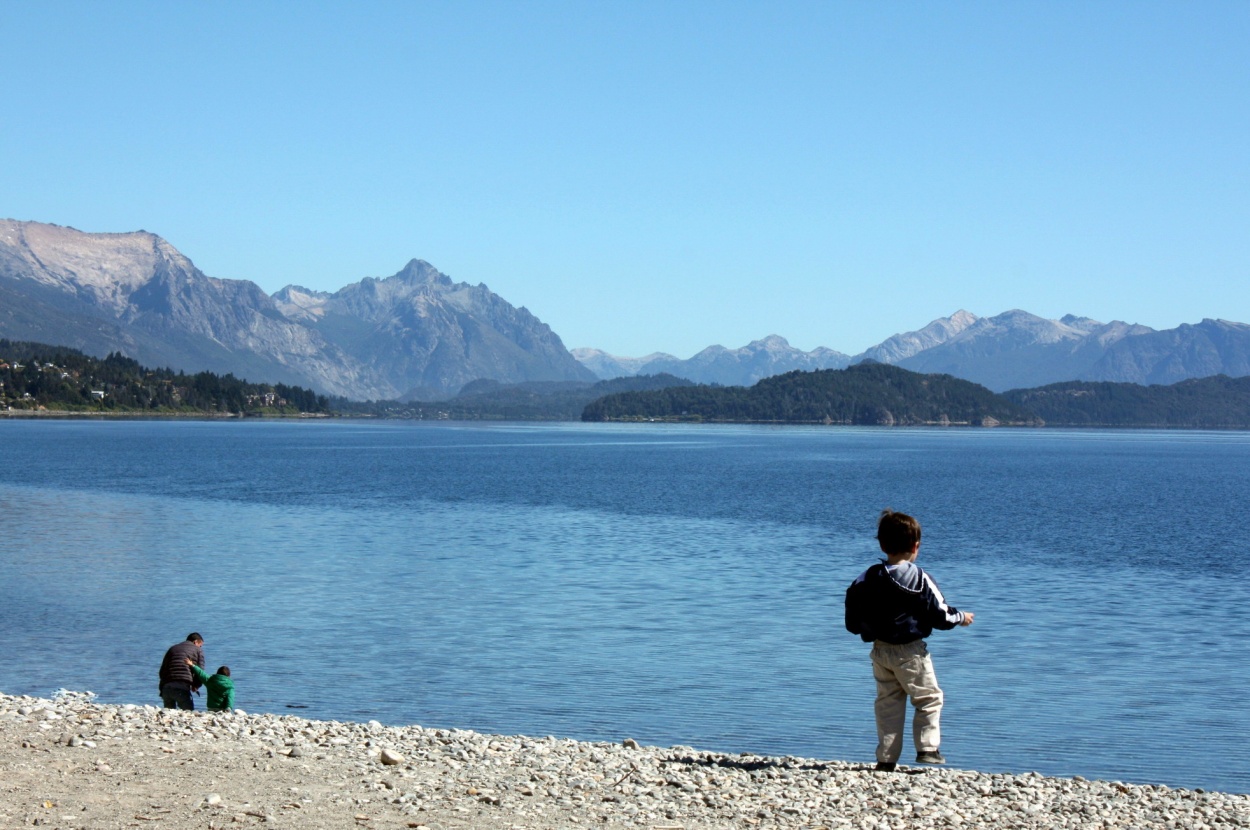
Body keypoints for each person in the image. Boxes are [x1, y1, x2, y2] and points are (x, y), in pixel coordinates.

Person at [844, 510, 974, 772]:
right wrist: (961, 617)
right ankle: (927, 749)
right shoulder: (919, 577)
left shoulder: (867, 577)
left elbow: (851, 615)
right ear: (916, 546)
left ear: (881, 545)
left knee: (888, 703)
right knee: (928, 698)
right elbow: (941, 614)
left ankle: (886, 759)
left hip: (880, 650)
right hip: (912, 651)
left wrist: (863, 629)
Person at [158, 632, 205, 710]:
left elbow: (162, 670)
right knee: (188, 713)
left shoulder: (172, 648)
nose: (200, 647)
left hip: (166, 688)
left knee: (168, 715)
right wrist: (196, 685)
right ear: (195, 642)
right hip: (181, 688)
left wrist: (162, 688)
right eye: (200, 645)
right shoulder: (198, 650)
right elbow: (200, 671)